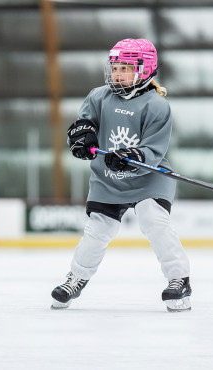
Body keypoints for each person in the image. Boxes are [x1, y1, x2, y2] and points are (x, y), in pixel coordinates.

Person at [51, 38, 191, 312]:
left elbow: (153, 148)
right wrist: (81, 139)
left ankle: (179, 280)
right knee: (97, 230)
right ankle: (76, 278)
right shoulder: (98, 96)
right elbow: (83, 125)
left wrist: (134, 157)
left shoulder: (157, 105)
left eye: (124, 68)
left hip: (149, 178)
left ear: (144, 70)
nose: (117, 74)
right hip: (107, 178)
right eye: (114, 68)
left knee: (154, 220)